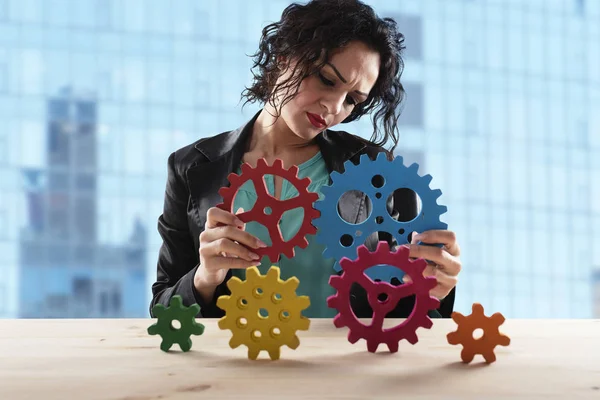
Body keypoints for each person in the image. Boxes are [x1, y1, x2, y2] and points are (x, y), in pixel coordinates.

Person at [150, 0, 462, 319]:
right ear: (285, 57)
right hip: (237, 364)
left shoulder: (378, 171)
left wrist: (433, 291)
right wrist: (205, 278)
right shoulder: (190, 167)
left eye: (352, 100)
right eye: (326, 79)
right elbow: (164, 313)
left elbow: (405, 315)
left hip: (342, 365)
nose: (334, 107)